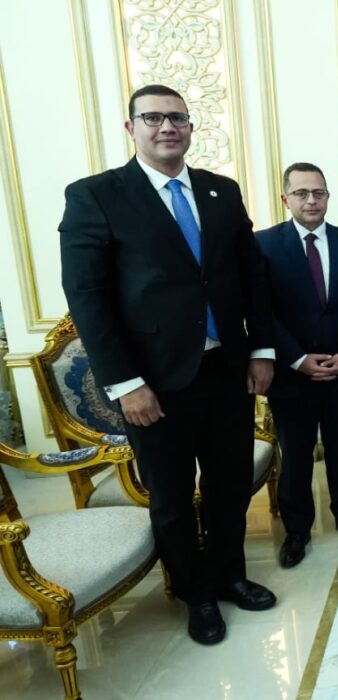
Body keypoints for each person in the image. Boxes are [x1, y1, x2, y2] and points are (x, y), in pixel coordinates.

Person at [60, 84, 277, 645]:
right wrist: (125, 383)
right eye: (153, 117)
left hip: (226, 371)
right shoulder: (96, 196)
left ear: (190, 128)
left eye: (177, 118)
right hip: (153, 383)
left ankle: (229, 575)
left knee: (230, 486)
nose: (167, 127)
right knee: (173, 496)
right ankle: (194, 593)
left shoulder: (221, 191)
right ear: (131, 127)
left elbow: (251, 276)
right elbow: (88, 298)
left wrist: (261, 350)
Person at [255, 163, 338, 568]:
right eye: (302, 193)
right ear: (285, 198)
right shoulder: (263, 245)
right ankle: (297, 530)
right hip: (292, 375)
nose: (311, 201)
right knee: (296, 455)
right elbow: (262, 312)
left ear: (328, 196)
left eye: (319, 193)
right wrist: (297, 359)